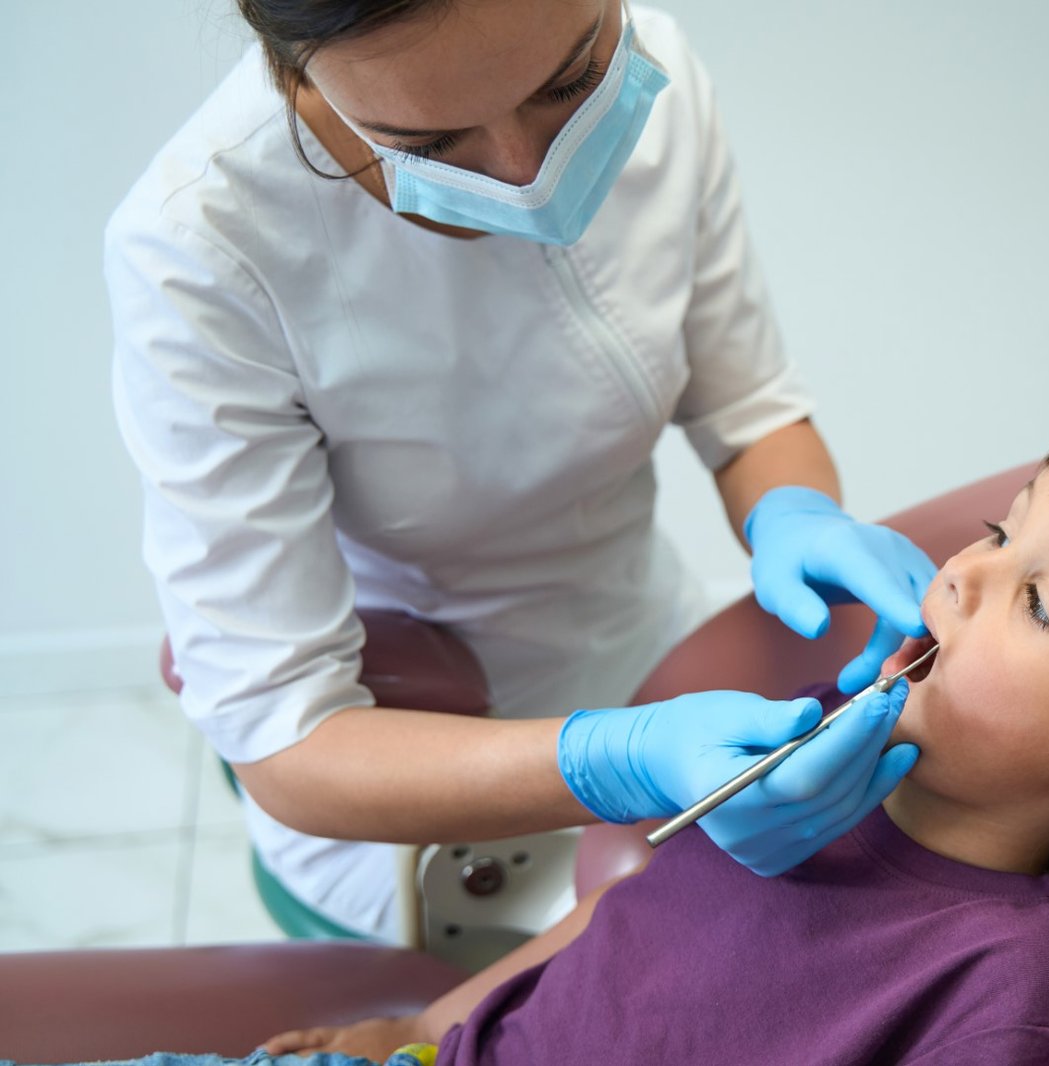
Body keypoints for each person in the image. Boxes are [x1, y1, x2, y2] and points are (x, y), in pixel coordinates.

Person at [106, 0, 935, 941]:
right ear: (293, 67)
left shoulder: (652, 68)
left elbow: (749, 412)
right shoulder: (204, 251)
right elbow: (287, 739)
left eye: (567, 85)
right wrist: (612, 762)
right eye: (428, 141)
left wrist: (796, 512)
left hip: (652, 651)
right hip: (413, 777)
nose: (523, 174)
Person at [246, 422, 1049, 1065]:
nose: (962, 573)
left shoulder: (1008, 998)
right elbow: (608, 927)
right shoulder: (807, 754)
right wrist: (421, 1026)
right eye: (997, 532)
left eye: (1036, 599)